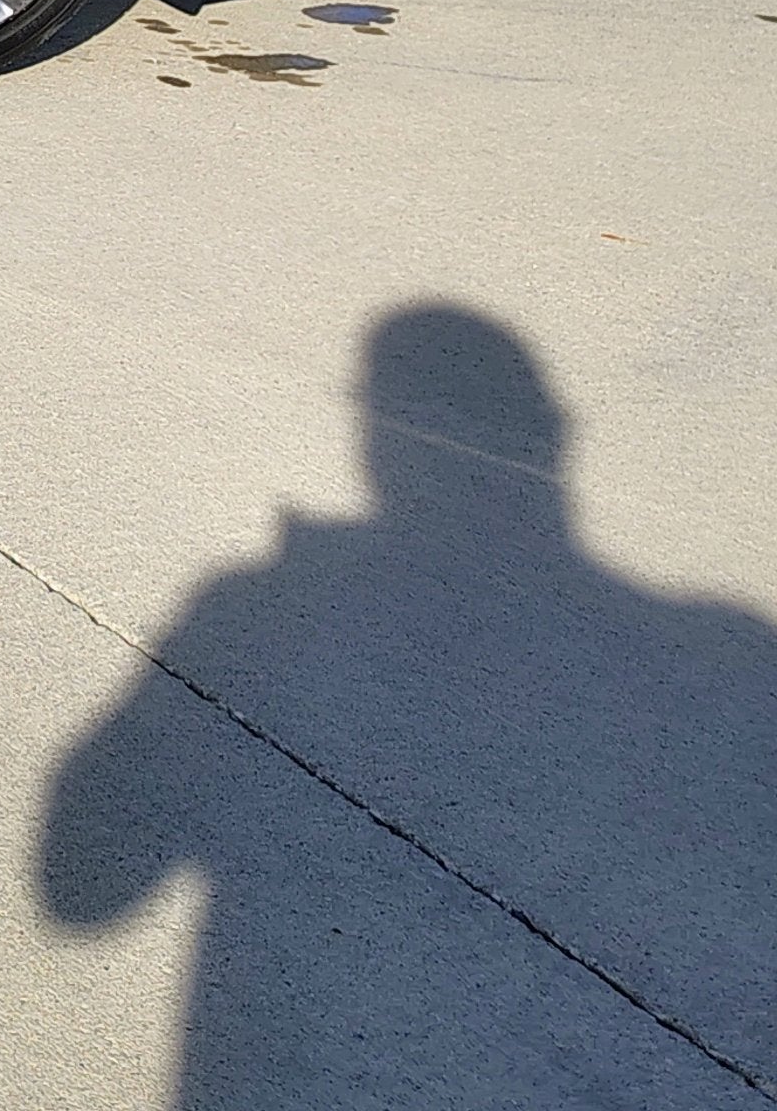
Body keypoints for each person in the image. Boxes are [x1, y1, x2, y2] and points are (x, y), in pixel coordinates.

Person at [39, 306, 777, 1104]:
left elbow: (80, 893)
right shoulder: (731, 650)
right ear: (556, 434)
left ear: (369, 435)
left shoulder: (258, 603)